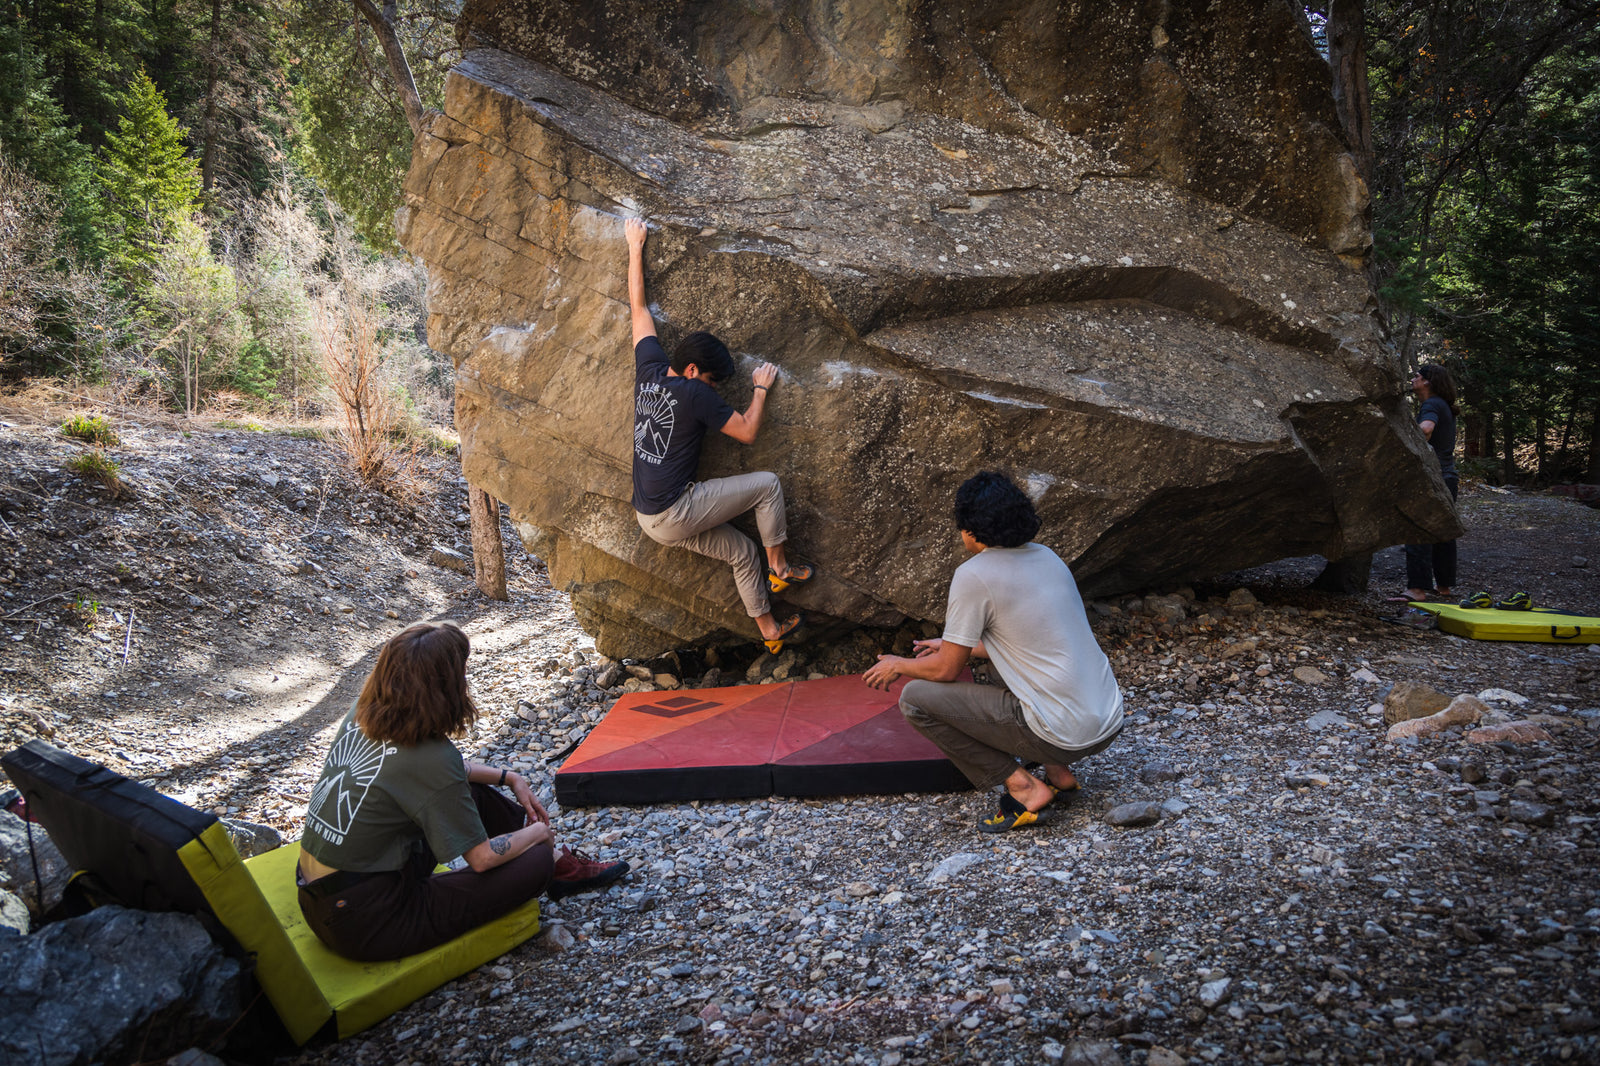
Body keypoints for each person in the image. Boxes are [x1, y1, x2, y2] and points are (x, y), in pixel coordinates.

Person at [297, 623, 628, 962]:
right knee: (536, 861)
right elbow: (482, 859)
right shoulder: (430, 758)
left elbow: (445, 773)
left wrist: (508, 776)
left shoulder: (363, 715)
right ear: (442, 686)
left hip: (320, 897)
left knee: (472, 792)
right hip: (367, 924)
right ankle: (551, 862)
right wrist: (538, 834)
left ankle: (561, 866)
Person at [864, 472, 1123, 833]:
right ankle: (1059, 774)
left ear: (972, 528)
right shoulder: (1046, 557)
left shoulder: (974, 574)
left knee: (915, 699)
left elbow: (945, 672)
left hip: (1062, 734)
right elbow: (1030, 641)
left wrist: (898, 665)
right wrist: (951, 643)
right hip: (1108, 721)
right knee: (1000, 662)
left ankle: (1024, 788)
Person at [625, 216, 810, 653]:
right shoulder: (693, 393)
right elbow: (746, 432)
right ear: (693, 371)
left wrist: (635, 246)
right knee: (767, 486)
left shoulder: (650, 369)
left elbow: (638, 310)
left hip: (647, 515)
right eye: (711, 380)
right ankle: (780, 566)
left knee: (743, 551)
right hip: (675, 510)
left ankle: (770, 632)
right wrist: (760, 390)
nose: (712, 388)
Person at [1401, 363, 1460, 603]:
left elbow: (1426, 429)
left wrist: (1404, 436)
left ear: (1428, 381)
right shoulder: (1443, 405)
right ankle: (1443, 587)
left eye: (1417, 376)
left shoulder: (1432, 404)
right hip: (1448, 476)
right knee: (1443, 531)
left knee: (1418, 528)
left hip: (1431, 476)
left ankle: (1417, 590)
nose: (1413, 378)